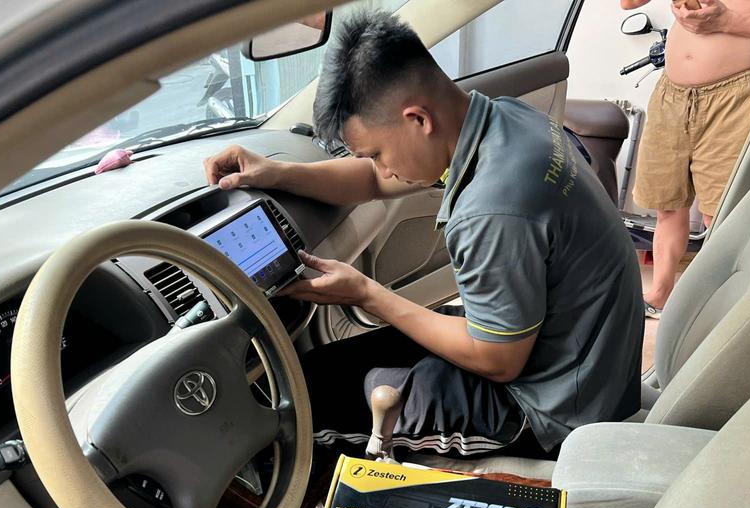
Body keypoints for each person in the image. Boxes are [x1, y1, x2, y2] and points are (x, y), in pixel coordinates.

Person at [204, 10, 642, 459]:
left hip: (549, 409)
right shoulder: (504, 120)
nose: (380, 167)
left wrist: (367, 294)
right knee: (320, 371)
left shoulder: (492, 209)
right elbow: (374, 181)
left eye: (376, 152)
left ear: (417, 119)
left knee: (294, 415)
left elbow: (497, 362)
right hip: (581, 362)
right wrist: (276, 173)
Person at [623, 0, 750, 318]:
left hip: (737, 95)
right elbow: (628, 3)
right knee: (668, 205)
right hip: (671, 93)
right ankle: (660, 293)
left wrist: (727, 22)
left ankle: (723, 306)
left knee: (723, 215)